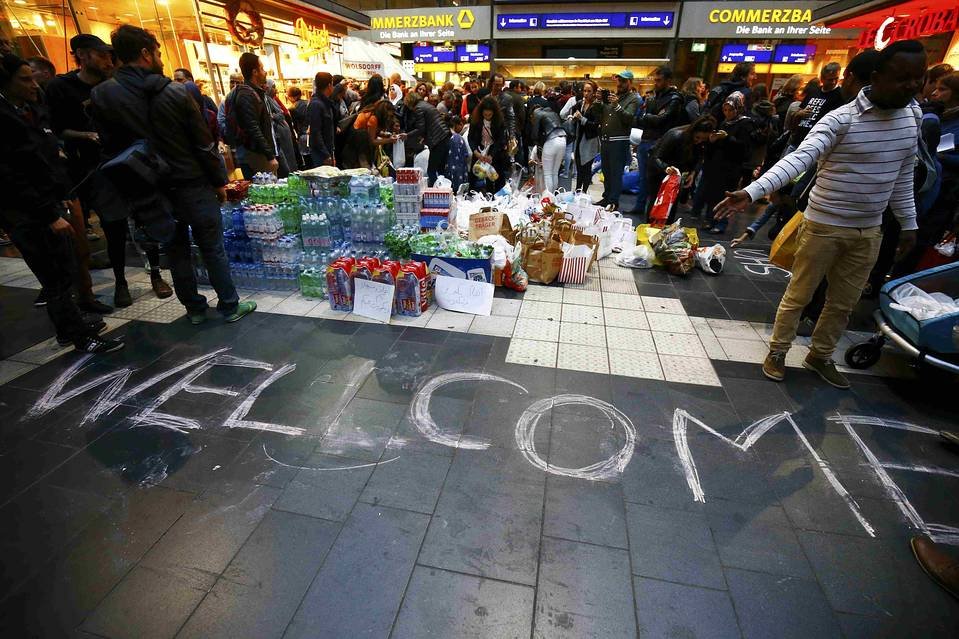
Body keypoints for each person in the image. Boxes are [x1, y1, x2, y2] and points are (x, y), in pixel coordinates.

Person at [715, 39, 927, 390]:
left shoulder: (913, 116)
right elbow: (801, 158)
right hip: (823, 225)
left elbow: (903, 175)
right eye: (902, 77)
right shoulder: (841, 119)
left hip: (869, 231)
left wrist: (908, 222)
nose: (912, 86)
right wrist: (752, 192)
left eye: (917, 78)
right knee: (799, 295)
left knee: (843, 303)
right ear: (876, 77)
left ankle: (820, 354)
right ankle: (779, 351)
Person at [90, 24, 255, 325]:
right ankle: (230, 305)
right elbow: (203, 144)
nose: (160, 58)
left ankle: (194, 310)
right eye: (157, 52)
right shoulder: (174, 93)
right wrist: (220, 181)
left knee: (175, 249)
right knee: (211, 247)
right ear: (145, 53)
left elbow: (109, 146)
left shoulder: (103, 95)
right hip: (191, 183)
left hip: (148, 188)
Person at [0, 54, 123, 353]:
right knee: (53, 276)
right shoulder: (3, 118)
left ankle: (72, 325)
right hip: (29, 213)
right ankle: (78, 335)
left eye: (32, 77)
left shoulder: (29, 110)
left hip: (50, 201)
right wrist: (48, 214)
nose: (34, 84)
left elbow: (43, 156)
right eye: (25, 79)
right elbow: (12, 176)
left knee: (63, 269)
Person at [46, 33, 170, 310]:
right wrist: (85, 135)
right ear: (83, 54)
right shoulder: (62, 87)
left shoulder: (114, 85)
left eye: (109, 55)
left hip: (133, 164)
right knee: (113, 227)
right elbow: (56, 129)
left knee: (146, 220)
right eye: (101, 54)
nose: (107, 60)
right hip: (99, 169)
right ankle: (120, 281)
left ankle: (156, 275)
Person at [631, 66, 685, 214]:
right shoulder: (654, 96)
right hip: (647, 139)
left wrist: (648, 117)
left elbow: (663, 119)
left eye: (659, 80)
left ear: (668, 80)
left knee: (655, 179)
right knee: (643, 177)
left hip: (660, 142)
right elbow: (642, 119)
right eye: (655, 80)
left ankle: (653, 210)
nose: (656, 83)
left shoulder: (674, 98)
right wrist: (650, 117)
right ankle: (641, 206)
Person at [646, 115, 717, 224]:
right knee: (657, 203)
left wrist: (692, 173)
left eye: (703, 139)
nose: (699, 141)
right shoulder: (675, 135)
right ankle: (650, 229)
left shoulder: (702, 142)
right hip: (659, 173)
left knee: (672, 205)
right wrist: (666, 168)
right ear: (693, 131)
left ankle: (665, 232)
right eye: (697, 137)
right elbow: (656, 157)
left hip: (678, 175)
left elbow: (698, 158)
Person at [700, 92, 753, 234]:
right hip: (717, 164)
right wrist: (712, 141)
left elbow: (744, 147)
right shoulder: (724, 123)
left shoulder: (745, 123)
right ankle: (710, 219)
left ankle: (721, 223)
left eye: (731, 110)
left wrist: (727, 138)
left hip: (731, 167)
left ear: (738, 109)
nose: (727, 113)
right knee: (712, 193)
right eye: (725, 110)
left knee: (725, 195)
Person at [226, 52, 278, 178]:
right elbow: (253, 128)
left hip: (257, 152)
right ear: (255, 72)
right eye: (262, 68)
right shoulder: (247, 95)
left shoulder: (252, 92)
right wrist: (269, 155)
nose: (265, 72)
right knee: (266, 191)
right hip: (256, 154)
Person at [596, 71, 642, 209]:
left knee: (616, 173)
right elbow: (600, 115)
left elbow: (629, 118)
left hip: (619, 141)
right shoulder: (613, 97)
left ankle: (613, 201)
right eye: (619, 80)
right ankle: (607, 198)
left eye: (623, 81)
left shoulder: (634, 98)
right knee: (606, 171)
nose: (620, 83)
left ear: (630, 82)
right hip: (606, 140)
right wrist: (599, 101)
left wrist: (616, 105)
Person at [788, 63, 844, 150]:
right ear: (822, 78)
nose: (833, 82)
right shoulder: (814, 91)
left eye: (836, 78)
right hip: (798, 140)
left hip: (815, 144)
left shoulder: (841, 95)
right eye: (830, 79)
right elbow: (799, 111)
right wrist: (800, 113)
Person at [561, 80, 603, 193]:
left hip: (590, 140)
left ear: (594, 92)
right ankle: (577, 191)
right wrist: (574, 117)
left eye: (589, 91)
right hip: (579, 138)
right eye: (584, 91)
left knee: (586, 168)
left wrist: (582, 119)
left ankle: (583, 192)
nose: (586, 93)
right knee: (579, 167)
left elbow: (596, 126)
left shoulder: (597, 106)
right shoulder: (581, 103)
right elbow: (572, 111)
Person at [404, 91, 452, 186]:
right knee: (441, 169)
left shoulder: (418, 108)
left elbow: (420, 128)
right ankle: (444, 191)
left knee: (431, 170)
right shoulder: (425, 105)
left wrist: (407, 135)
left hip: (437, 140)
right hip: (444, 136)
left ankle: (436, 192)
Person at [468, 96, 509, 194]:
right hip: (479, 150)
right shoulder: (475, 120)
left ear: (494, 112)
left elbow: (500, 140)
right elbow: (470, 138)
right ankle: (472, 197)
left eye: (490, 112)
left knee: (495, 177)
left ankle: (496, 198)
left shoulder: (499, 122)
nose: (487, 114)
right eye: (485, 112)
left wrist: (491, 155)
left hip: (495, 152)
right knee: (474, 176)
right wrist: (476, 152)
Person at [528, 101, 567, 193]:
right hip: (563, 140)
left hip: (551, 141)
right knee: (554, 173)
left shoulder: (537, 114)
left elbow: (535, 135)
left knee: (548, 174)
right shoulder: (552, 112)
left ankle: (548, 200)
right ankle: (553, 197)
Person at [308, 72, 335, 167]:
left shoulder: (324, 102)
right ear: (329, 85)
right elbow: (315, 132)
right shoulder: (316, 104)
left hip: (326, 150)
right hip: (320, 153)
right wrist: (326, 155)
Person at [445, 115, 471, 193]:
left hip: (452, 167)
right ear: (457, 125)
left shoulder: (452, 137)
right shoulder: (457, 137)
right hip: (459, 167)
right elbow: (466, 154)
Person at [287, 86, 309, 167]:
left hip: (303, 136)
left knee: (307, 161)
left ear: (293, 97)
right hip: (313, 134)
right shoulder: (308, 102)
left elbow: (295, 125)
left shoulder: (292, 108)